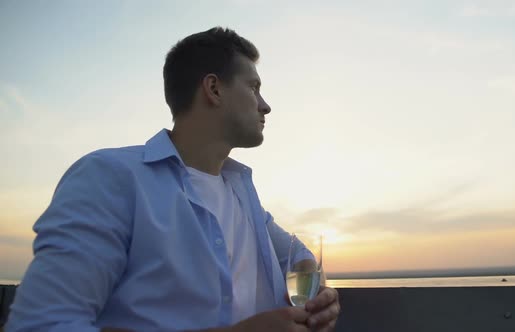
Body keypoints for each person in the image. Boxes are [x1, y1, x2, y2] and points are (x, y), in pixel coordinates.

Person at [6, 27, 340, 332]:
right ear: (213, 89)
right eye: (254, 87)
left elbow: (297, 256)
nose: (265, 106)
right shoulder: (112, 178)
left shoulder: (243, 192)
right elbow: (43, 324)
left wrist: (318, 296)